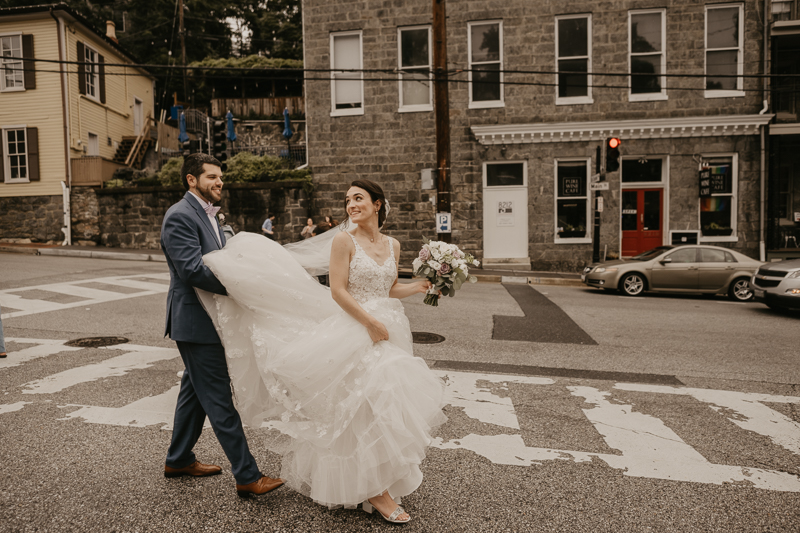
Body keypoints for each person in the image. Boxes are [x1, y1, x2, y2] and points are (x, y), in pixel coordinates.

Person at [195, 180, 445, 524]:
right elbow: (339, 291)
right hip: (358, 328)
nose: (351, 205)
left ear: (377, 203)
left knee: (385, 406)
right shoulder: (344, 240)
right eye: (347, 200)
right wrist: (369, 322)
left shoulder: (394, 245)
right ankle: (375, 491)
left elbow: (387, 288)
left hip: (390, 328)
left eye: (358, 199)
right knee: (361, 406)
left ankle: (379, 482)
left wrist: (417, 287)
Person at [160, 153, 283, 497]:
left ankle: (178, 459)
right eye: (211, 177)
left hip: (212, 320)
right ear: (191, 180)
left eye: (220, 178)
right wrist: (243, 287)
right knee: (218, 398)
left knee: (194, 392)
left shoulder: (208, 215)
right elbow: (192, 270)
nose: (219, 183)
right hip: (195, 322)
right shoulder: (180, 216)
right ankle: (248, 475)